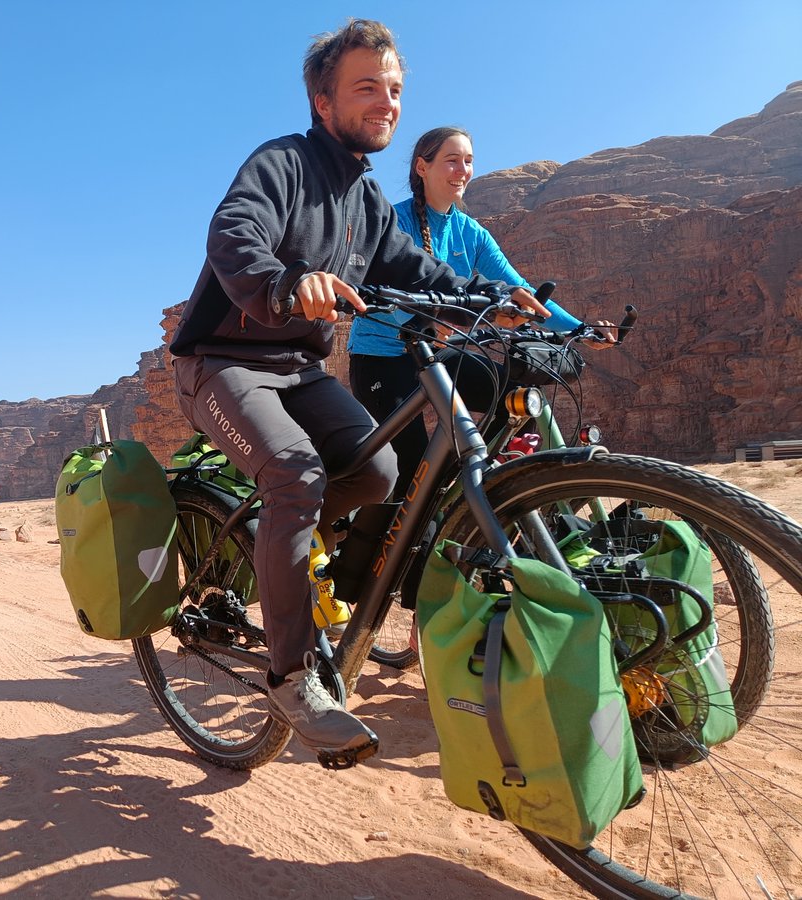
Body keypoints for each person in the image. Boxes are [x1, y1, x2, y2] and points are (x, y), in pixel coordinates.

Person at [169, 22, 548, 763]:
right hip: (223, 361)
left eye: (395, 89)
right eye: (367, 87)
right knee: (297, 473)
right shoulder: (282, 162)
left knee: (376, 471)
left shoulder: (366, 199)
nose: (387, 101)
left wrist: (491, 297)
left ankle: (282, 545)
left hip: (300, 368)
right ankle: (289, 674)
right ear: (322, 99)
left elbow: (416, 272)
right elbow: (234, 230)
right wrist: (285, 283)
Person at [348, 126, 614, 496]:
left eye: (469, 161)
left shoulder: (472, 233)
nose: (463, 170)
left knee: (517, 402)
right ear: (422, 168)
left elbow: (520, 292)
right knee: (408, 470)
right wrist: (419, 319)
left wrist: (579, 329)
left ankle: (466, 494)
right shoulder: (395, 221)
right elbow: (374, 292)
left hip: (436, 354)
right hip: (382, 359)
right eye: (452, 161)